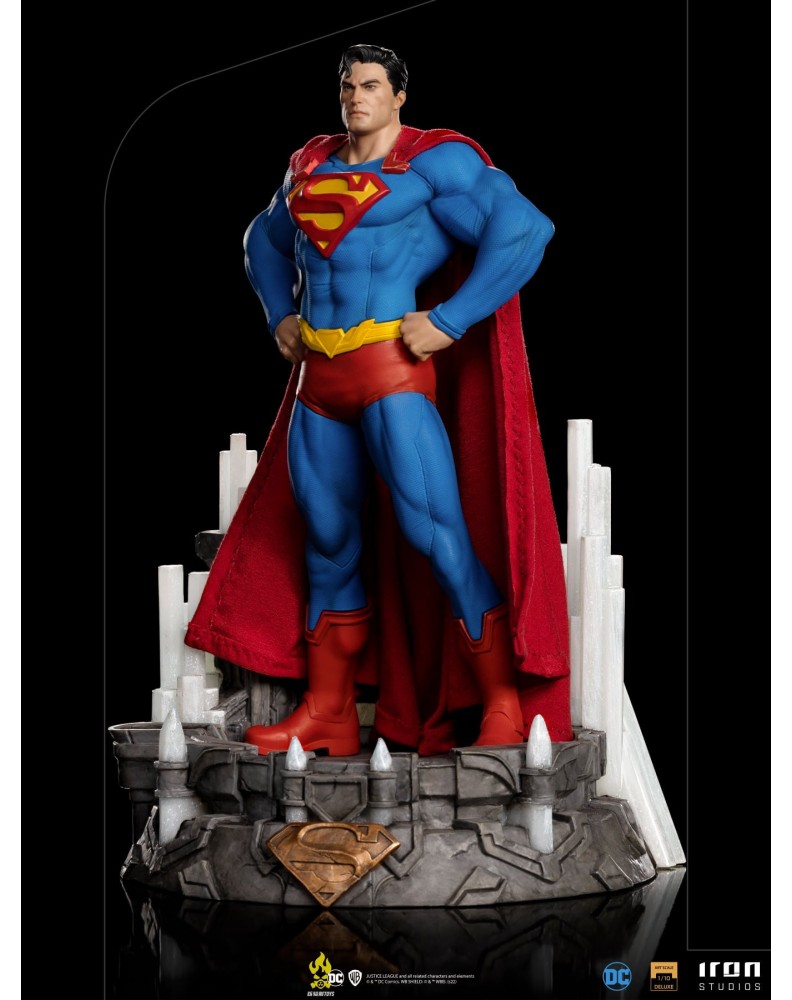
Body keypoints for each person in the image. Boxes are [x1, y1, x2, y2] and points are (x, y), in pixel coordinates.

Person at [186, 44, 572, 756]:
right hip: (320, 383)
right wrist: (279, 314)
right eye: (347, 86)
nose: (355, 97)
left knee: (437, 535)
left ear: (398, 96)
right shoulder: (310, 164)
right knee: (328, 543)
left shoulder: (430, 164)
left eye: (370, 85)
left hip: (391, 371)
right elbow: (263, 239)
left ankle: (501, 703)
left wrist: (451, 319)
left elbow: (526, 229)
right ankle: (329, 711)